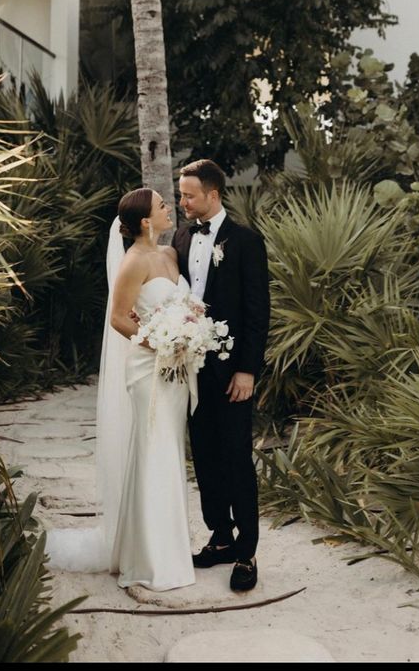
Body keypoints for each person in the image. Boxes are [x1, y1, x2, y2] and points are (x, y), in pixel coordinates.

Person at [46, 187, 195, 591]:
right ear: (146, 221)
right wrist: (160, 340)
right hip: (149, 369)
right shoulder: (132, 262)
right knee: (152, 454)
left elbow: (182, 306)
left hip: (177, 371)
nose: (169, 208)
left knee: (171, 453)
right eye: (162, 205)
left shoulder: (169, 255)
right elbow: (118, 319)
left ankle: (171, 550)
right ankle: (146, 559)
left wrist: (189, 331)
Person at [173, 159, 270, 592]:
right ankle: (220, 537)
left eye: (189, 195)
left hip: (233, 372)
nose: (182, 201)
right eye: (180, 194)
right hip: (191, 372)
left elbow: (257, 312)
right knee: (206, 456)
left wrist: (248, 369)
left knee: (235, 459)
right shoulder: (179, 237)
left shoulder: (246, 241)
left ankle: (246, 552)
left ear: (212, 195)